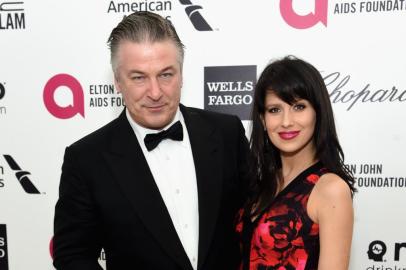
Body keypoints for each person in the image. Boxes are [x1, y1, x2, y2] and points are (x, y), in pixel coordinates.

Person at [53, 11, 249, 270]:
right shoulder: (86, 159)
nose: (155, 92)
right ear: (117, 82)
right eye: (138, 77)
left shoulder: (226, 133)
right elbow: (72, 255)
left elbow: (258, 224)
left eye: (166, 74)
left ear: (181, 74)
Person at [236, 56, 355, 270]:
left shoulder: (330, 189)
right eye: (274, 110)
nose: (286, 121)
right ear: (262, 119)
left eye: (299, 107)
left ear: (317, 113)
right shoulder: (261, 182)